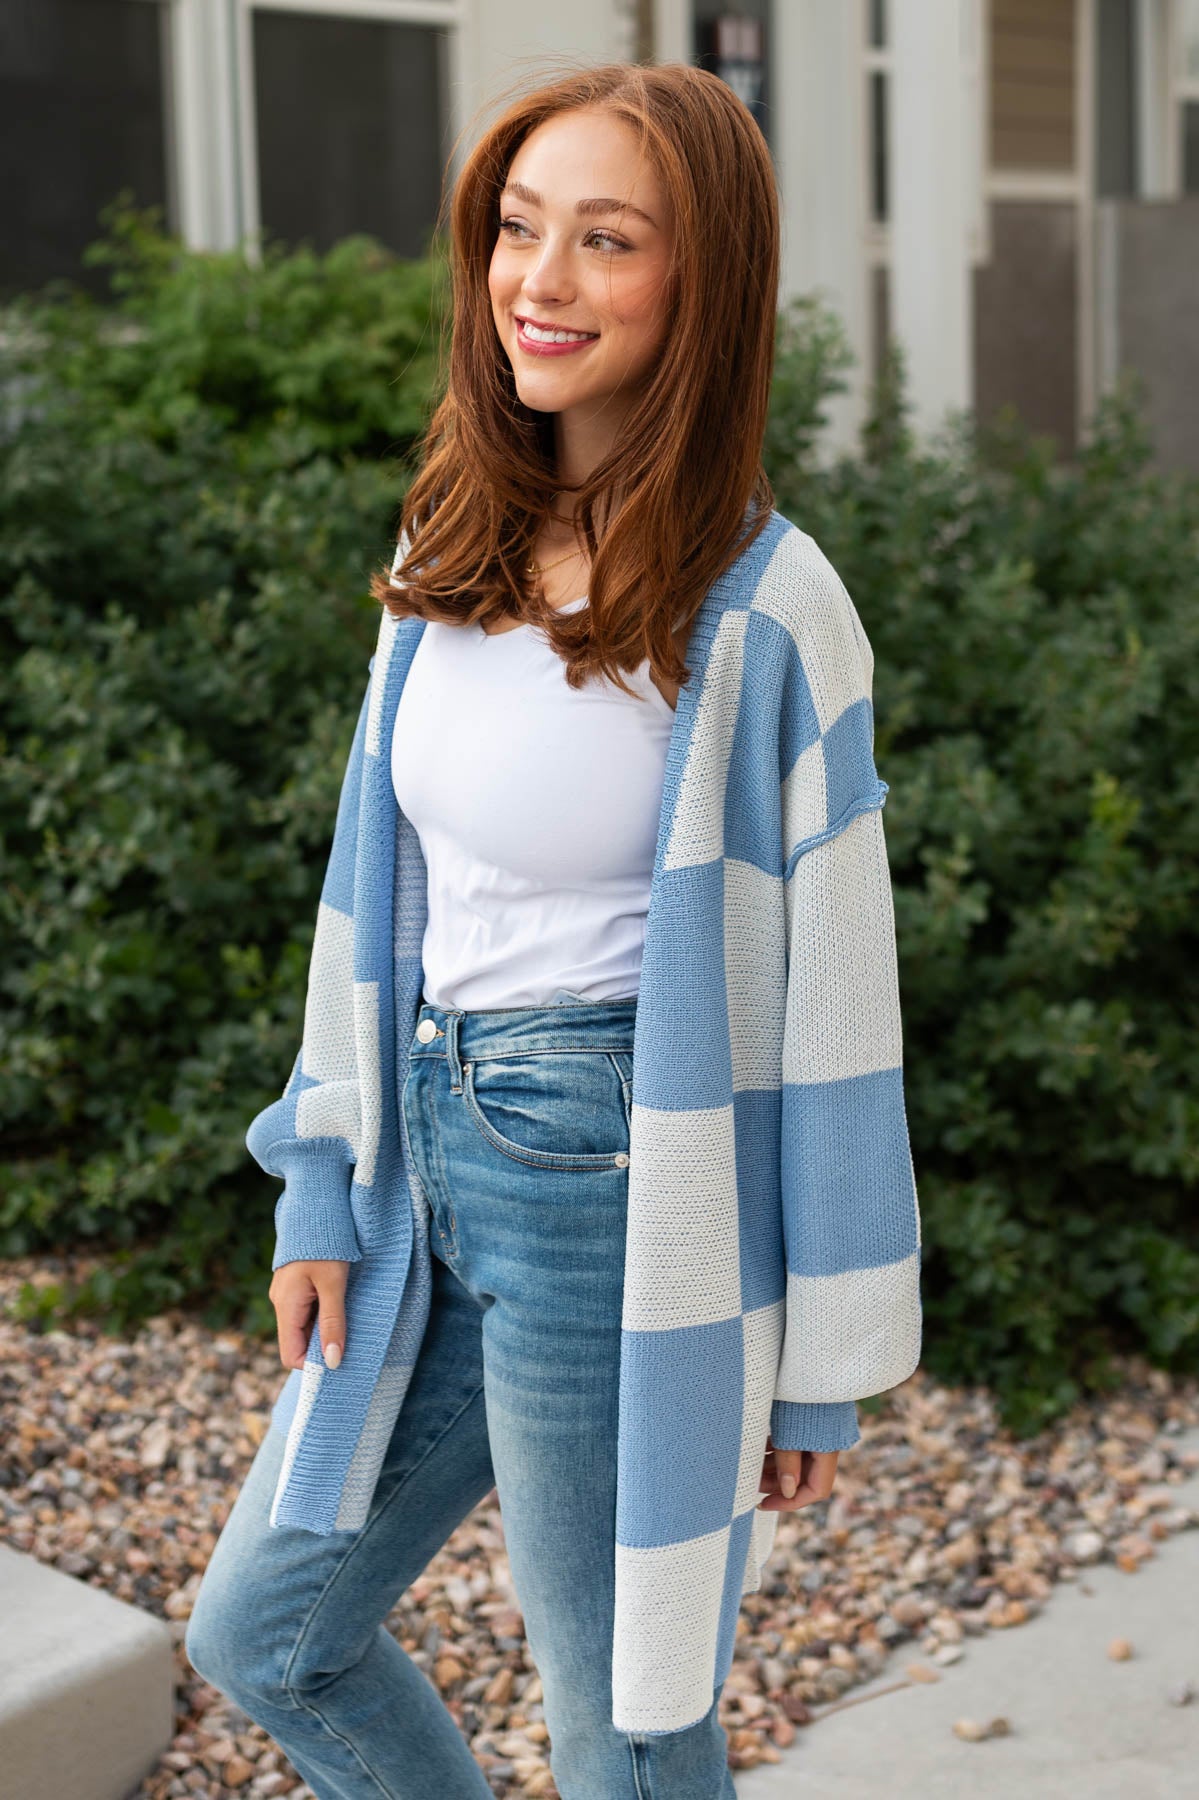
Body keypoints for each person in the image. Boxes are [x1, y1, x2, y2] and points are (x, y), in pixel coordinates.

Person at [185, 58, 922, 1800]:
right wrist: (323, 1172)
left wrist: (818, 1369)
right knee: (265, 1632)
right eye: (521, 229)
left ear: (701, 286)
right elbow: (369, 894)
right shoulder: (454, 533)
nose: (542, 280)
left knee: (627, 1719)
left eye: (607, 242)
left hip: (618, 1188)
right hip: (419, 1166)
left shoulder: (765, 608)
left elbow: (837, 1004)